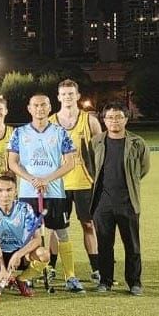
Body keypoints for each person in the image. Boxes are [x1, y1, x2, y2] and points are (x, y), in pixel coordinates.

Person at [7, 94, 80, 292]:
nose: (39, 109)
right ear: (29, 108)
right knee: (32, 236)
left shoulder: (60, 132)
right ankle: (30, 274)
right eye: (35, 105)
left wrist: (47, 179)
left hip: (55, 193)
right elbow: (12, 162)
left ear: (50, 108)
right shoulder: (19, 133)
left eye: (43, 105)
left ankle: (70, 277)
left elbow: (70, 162)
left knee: (62, 233)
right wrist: (31, 179)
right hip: (28, 192)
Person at [90, 103, 150, 295]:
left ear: (126, 119)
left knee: (132, 244)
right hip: (102, 203)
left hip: (128, 202)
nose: (114, 121)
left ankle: (134, 282)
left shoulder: (137, 143)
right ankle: (105, 281)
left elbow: (143, 168)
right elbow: (91, 167)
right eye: (110, 117)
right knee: (104, 244)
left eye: (118, 117)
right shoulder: (96, 142)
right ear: (104, 120)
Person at [48, 79, 103, 283]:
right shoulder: (51, 121)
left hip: (84, 183)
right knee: (55, 227)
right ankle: (51, 267)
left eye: (71, 93)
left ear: (78, 96)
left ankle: (96, 269)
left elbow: (101, 151)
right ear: (58, 97)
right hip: (59, 184)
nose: (68, 97)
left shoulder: (90, 121)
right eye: (64, 94)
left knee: (88, 224)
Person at [0, 175, 49, 297]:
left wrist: (18, 254)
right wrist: (3, 267)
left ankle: (21, 280)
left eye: (9, 190)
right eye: (0, 190)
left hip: (20, 253)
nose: (5, 195)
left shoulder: (25, 208)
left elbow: (37, 239)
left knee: (44, 254)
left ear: (16, 192)